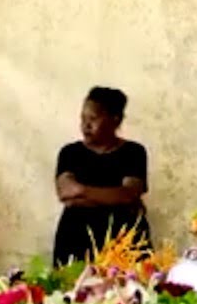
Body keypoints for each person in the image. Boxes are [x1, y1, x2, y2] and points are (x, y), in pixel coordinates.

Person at [53, 86, 150, 265]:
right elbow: (65, 193)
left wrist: (81, 191)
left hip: (123, 239)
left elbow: (128, 194)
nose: (85, 125)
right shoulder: (70, 153)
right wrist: (113, 196)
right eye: (83, 118)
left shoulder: (133, 152)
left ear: (116, 119)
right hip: (76, 238)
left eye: (93, 119)